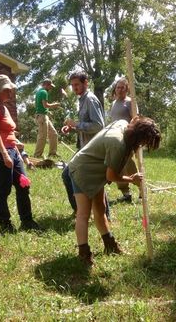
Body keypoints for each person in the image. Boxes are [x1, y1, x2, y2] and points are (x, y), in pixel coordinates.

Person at [68, 116, 161, 265]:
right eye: (144, 143)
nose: (143, 146)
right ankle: (84, 254)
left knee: (101, 208)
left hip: (96, 171)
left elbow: (132, 119)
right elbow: (111, 175)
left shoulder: (125, 124)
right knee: (83, 213)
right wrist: (132, 179)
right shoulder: (118, 144)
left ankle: (110, 245)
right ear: (138, 137)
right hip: (82, 170)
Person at [0, 74, 40, 235]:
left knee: (24, 185)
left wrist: (16, 146)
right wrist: (5, 155)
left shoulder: (3, 106)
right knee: (3, 189)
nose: (11, 92)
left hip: (12, 150)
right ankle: (5, 224)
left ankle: (27, 221)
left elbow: (7, 132)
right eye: (8, 89)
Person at [61, 71, 110, 219]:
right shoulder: (82, 99)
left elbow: (98, 126)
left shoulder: (90, 99)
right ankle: (90, 212)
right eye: (72, 85)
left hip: (93, 149)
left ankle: (85, 212)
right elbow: (86, 124)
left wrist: (76, 123)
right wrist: (72, 127)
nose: (74, 88)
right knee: (85, 178)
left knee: (70, 174)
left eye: (77, 84)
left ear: (85, 83)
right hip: (85, 147)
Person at [109, 77, 139, 203]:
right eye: (118, 87)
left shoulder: (130, 102)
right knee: (117, 166)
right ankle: (126, 193)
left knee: (129, 164)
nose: (119, 90)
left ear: (127, 89)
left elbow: (136, 119)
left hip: (127, 137)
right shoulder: (114, 103)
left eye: (122, 87)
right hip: (115, 138)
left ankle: (142, 188)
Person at [33, 79, 60, 158]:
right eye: (50, 86)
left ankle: (53, 153)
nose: (51, 88)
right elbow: (45, 105)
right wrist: (55, 105)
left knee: (53, 134)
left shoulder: (39, 91)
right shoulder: (44, 92)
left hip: (43, 115)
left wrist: (47, 112)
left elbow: (40, 106)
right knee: (42, 136)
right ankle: (37, 155)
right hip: (42, 117)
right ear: (46, 85)